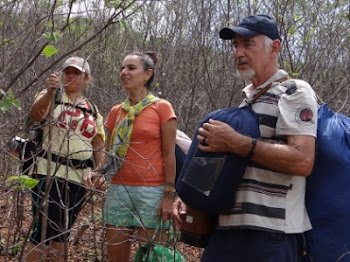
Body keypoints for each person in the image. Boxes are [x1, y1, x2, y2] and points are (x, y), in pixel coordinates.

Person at [173, 14, 318, 261]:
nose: (238, 52)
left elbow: (303, 160)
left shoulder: (294, 92)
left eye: (248, 44)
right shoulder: (247, 101)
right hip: (227, 230)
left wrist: (236, 142)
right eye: (235, 45)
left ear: (275, 47)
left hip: (270, 234)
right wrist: (190, 197)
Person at [25, 57, 105, 261]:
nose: (70, 76)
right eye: (67, 72)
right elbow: (35, 116)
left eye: (76, 73)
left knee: (62, 232)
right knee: (41, 231)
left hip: (79, 178)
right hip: (48, 171)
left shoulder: (93, 110)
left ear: (86, 79)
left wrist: (99, 171)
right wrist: (50, 93)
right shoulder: (50, 95)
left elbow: (98, 144)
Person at [102, 51, 177, 262]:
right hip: (118, 189)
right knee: (116, 257)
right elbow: (109, 155)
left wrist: (168, 196)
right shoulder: (116, 112)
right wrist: (99, 175)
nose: (124, 72)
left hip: (152, 192)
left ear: (147, 74)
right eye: (122, 68)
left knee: (152, 257)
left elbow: (169, 155)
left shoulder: (162, 108)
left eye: (131, 68)